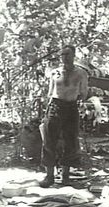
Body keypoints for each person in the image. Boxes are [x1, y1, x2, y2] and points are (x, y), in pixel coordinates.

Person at [39, 44, 88, 188]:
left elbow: (83, 93)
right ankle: (49, 176)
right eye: (62, 55)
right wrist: (48, 110)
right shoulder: (55, 73)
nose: (65, 57)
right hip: (55, 106)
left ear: (74, 56)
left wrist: (74, 98)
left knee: (70, 141)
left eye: (68, 54)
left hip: (71, 108)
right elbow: (50, 93)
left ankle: (65, 176)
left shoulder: (81, 73)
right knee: (49, 140)